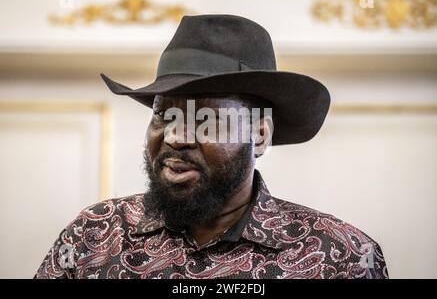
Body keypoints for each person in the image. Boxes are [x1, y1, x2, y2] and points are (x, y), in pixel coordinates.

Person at [35, 14, 388, 279]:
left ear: (260, 135)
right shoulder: (93, 235)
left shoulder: (342, 255)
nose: (175, 137)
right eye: (164, 116)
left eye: (206, 120)